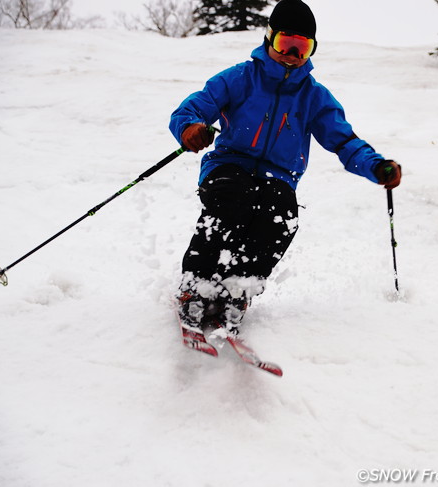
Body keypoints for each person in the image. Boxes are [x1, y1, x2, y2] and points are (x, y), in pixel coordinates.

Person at [170, 0, 402, 346]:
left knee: (280, 215)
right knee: (232, 201)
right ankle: (196, 288)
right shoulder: (240, 78)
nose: (292, 54)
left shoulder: (314, 97)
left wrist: (375, 166)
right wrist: (191, 128)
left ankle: (238, 290)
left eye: (302, 47)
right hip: (229, 164)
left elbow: (344, 141)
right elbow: (190, 109)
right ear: (269, 39)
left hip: (279, 176)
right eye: (285, 43)